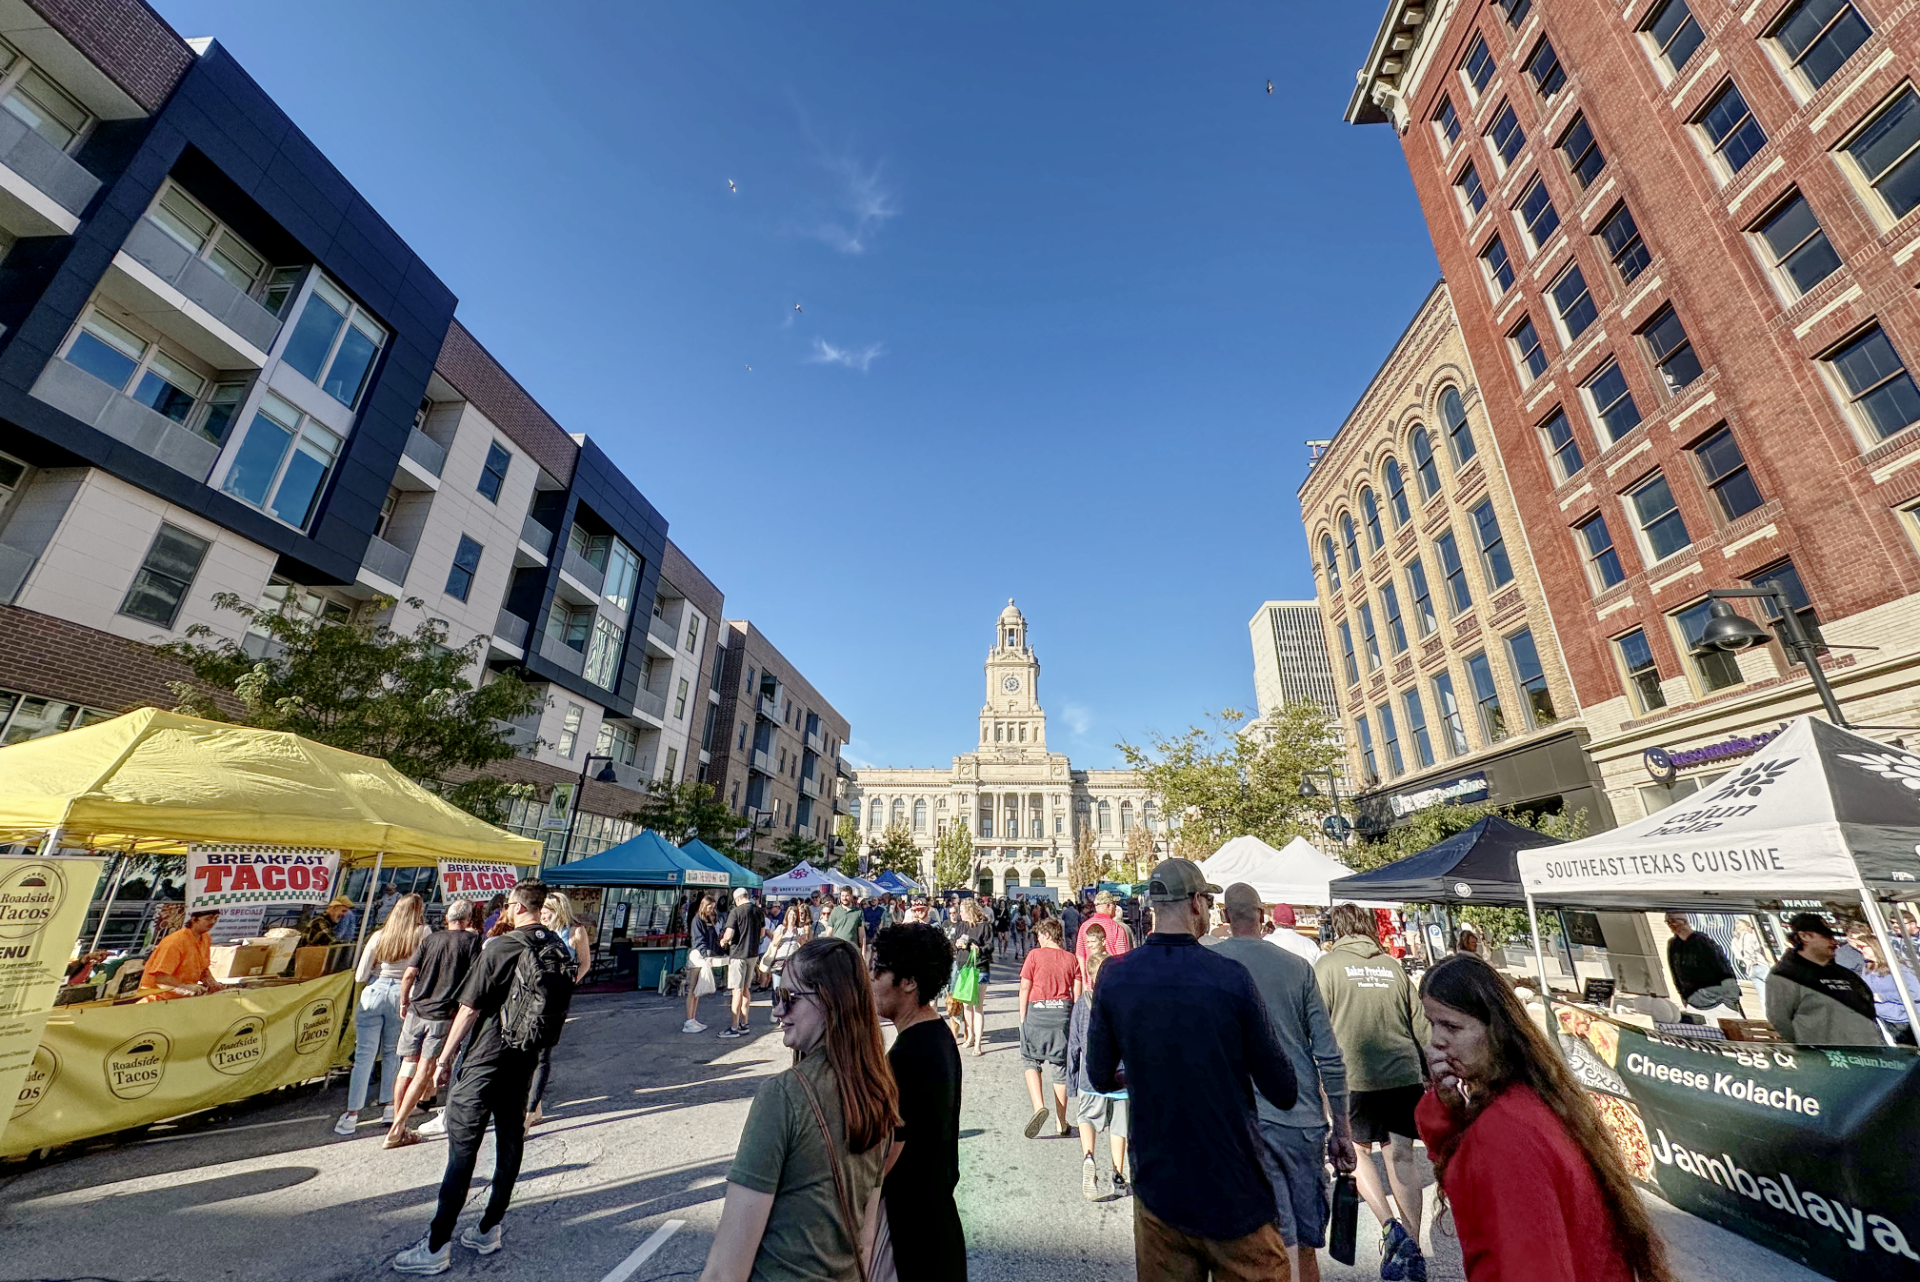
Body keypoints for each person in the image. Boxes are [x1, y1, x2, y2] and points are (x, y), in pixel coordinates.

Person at [1087, 858, 1297, 1280]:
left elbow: (1097, 1074)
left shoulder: (1115, 975)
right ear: (1198, 903)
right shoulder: (1230, 977)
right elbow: (1282, 1089)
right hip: (1233, 1189)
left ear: (1152, 908)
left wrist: (1144, 1073)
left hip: (1158, 1190)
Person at [1416, 954, 1676, 1282]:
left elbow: (1532, 1267)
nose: (1436, 1040)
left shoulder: (1503, 1133)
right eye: (1432, 1023)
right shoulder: (1531, 1095)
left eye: (1452, 1026)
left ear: (1496, 1030)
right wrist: (1446, 1105)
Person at [393, 881, 573, 1273]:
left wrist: (443, 1059)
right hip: (523, 1058)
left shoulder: (504, 946)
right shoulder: (556, 946)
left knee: (462, 1149)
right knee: (511, 1141)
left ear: (517, 907)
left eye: (508, 905)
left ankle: (436, 1245)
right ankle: (490, 1226)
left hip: (485, 1058)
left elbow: (470, 1007)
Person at [696, 938, 898, 1282]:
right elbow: (864, 1241)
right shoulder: (877, 1091)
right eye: (777, 996)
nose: (777, 1010)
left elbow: (725, 1271)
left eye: (788, 998)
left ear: (830, 1002)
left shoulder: (783, 1096)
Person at [1213, 884, 1354, 1282]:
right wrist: (1341, 1125)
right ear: (1262, 916)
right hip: (1299, 1116)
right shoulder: (1298, 969)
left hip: (1238, 1120)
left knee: (1253, 1238)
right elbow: (1329, 1055)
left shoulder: (1213, 965)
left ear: (1224, 916)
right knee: (1302, 1240)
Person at [1315, 903, 1431, 1282]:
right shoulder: (1392, 968)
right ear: (1368, 928)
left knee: (1358, 1152)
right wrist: (1431, 1072)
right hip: (1403, 1073)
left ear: (1338, 929)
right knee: (1402, 1159)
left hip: (1354, 1076)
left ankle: (1390, 1230)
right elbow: (1421, 1024)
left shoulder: (1328, 967)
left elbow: (1314, 1022)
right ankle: (1411, 1244)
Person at [870, 923, 967, 1281]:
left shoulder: (908, 1054)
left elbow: (884, 1161)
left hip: (912, 1235)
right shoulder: (937, 1034)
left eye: (880, 969)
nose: (872, 978)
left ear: (909, 982)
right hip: (938, 1224)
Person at [386, 897, 482, 1147]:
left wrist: (404, 1002)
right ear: (468, 919)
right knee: (425, 1069)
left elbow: (409, 974)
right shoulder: (472, 941)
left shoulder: (430, 939)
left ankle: (400, 1122)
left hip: (417, 1009)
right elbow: (474, 978)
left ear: (447, 918)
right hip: (442, 1014)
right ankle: (397, 1129)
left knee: (406, 1066)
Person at [337, 893, 429, 1137]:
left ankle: (351, 1115)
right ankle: (389, 1106)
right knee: (393, 1053)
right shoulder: (423, 933)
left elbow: (360, 975)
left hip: (376, 989)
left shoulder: (378, 936)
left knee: (364, 1056)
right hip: (403, 994)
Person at [1066, 922, 1130, 1202]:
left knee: (1086, 1119)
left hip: (1090, 1075)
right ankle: (1117, 1174)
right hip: (1121, 1076)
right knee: (1119, 1128)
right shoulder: (1126, 1002)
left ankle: (1088, 1158)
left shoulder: (1082, 1002)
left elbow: (1074, 1043)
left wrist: (1071, 1080)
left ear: (1090, 978)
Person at [525, 893, 593, 1129]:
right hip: (532, 998)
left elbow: (585, 962)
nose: (542, 913)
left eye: (547, 910)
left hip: (555, 999)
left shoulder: (575, 932)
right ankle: (536, 1108)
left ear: (559, 910)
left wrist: (572, 982)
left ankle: (529, 1110)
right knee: (530, 1051)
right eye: (541, 909)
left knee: (542, 1052)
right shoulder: (537, 931)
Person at [1766, 911, 1882, 1046]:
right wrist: (1810, 1051)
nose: (1834, 942)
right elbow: (1780, 1021)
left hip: (1868, 1053)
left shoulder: (1844, 973)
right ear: (1804, 936)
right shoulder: (1785, 976)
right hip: (1829, 1057)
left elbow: (1867, 1006)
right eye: (1826, 936)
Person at [1018, 916, 1081, 1139]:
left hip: (1037, 1011)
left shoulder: (1034, 955)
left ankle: (1038, 1107)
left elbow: (1025, 988)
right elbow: (1077, 995)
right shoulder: (1072, 959)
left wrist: (1023, 1017)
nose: (1038, 940)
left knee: (1030, 1060)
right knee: (1060, 1067)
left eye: (1039, 936)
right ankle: (1061, 1122)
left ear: (1046, 935)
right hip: (1062, 1013)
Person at [1846, 926, 1919, 1044]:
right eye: (1858, 947)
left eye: (1862, 947)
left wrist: (1883, 997)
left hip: (1904, 1020)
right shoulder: (1867, 968)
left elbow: (1916, 993)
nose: (1860, 950)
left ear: (1874, 947)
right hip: (1883, 1019)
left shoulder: (1896, 967)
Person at [1663, 912, 1743, 1013]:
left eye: (1673, 921)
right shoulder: (1673, 944)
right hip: (1694, 1001)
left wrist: (1731, 999)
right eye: (1668, 922)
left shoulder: (1702, 941)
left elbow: (1723, 969)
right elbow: (1675, 972)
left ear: (1684, 922)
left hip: (1717, 1000)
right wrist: (1683, 997)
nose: (1670, 924)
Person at [137, 908, 223, 1000]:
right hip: (157, 997)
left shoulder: (206, 937)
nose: (213, 922)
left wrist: (212, 983)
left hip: (182, 997)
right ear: (194, 919)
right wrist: (185, 987)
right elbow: (161, 978)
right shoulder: (175, 942)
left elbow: (203, 969)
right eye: (208, 918)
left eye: (216, 918)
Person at [718, 887, 763, 1040]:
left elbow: (729, 933)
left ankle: (734, 1027)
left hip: (738, 955)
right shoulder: (758, 911)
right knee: (746, 989)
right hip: (753, 954)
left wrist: (724, 941)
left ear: (737, 899)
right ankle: (745, 1023)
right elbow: (762, 933)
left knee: (736, 991)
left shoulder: (735, 912)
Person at [950, 897, 992, 1056]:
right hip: (963, 967)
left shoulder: (984, 926)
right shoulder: (962, 925)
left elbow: (990, 945)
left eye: (962, 911)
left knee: (977, 1006)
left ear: (970, 911)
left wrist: (978, 948)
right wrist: (958, 944)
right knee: (966, 1005)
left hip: (979, 968)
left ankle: (978, 1044)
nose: (960, 914)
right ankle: (970, 1036)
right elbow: (956, 940)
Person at [761, 902, 814, 1024]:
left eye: (794, 915)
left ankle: (786, 1014)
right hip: (779, 962)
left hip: (792, 963)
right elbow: (774, 944)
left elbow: (803, 946)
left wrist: (801, 940)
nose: (792, 917)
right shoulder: (780, 928)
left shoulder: (800, 930)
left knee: (789, 990)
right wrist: (779, 937)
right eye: (790, 915)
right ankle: (776, 1009)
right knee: (776, 988)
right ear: (787, 916)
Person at [684, 895, 723, 1034]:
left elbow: (713, 940)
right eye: (709, 907)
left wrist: (719, 951)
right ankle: (688, 1020)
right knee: (693, 989)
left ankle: (693, 1019)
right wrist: (706, 955)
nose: (711, 910)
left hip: (705, 956)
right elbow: (698, 941)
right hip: (697, 957)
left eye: (713, 907)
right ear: (703, 906)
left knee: (697, 991)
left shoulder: (709, 920)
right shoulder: (697, 920)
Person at [1075, 889, 1133, 975]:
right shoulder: (1117, 928)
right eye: (1114, 905)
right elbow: (1123, 958)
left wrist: (1085, 981)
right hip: (1111, 980)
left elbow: (1080, 956)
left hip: (1091, 982)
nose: (1115, 908)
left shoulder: (1084, 926)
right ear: (1109, 906)